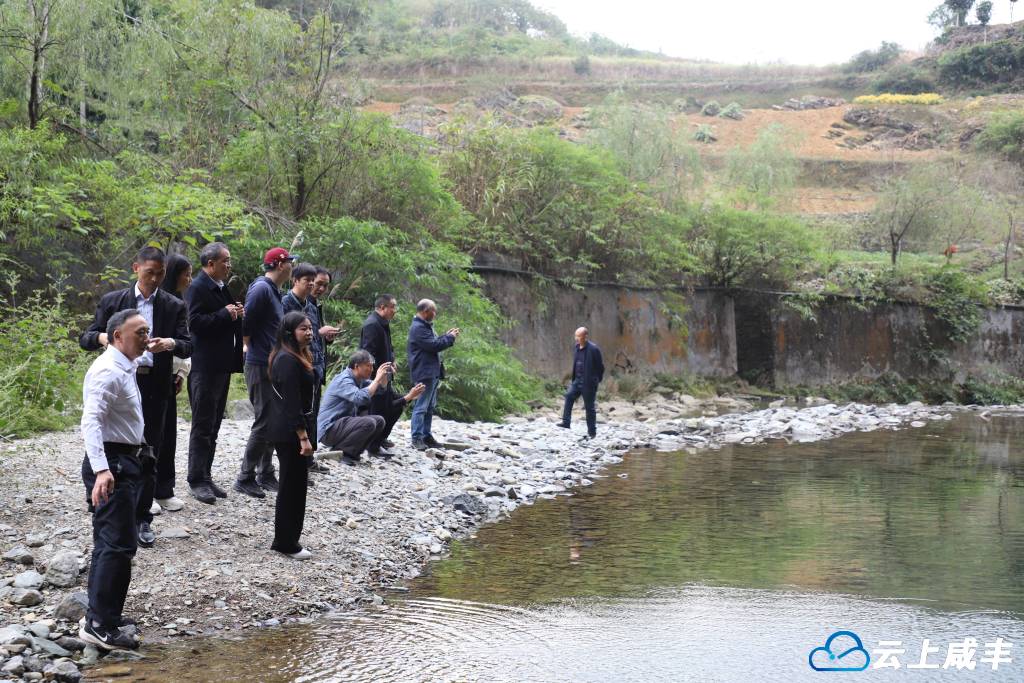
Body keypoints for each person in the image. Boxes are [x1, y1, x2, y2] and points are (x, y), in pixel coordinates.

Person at [79, 246, 192, 548]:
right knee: (116, 446)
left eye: (160, 274)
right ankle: (107, 500)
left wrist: (168, 343)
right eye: (149, 272)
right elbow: (86, 338)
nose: (155, 279)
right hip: (121, 379)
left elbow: (187, 345)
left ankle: (143, 517)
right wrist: (109, 336)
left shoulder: (173, 304)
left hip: (156, 384)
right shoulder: (114, 301)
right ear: (136, 269)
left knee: (150, 451)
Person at [78, 309, 149, 650]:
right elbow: (90, 421)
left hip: (124, 461)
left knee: (115, 543)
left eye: (147, 331)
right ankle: (98, 624)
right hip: (112, 464)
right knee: (116, 545)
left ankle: (105, 614)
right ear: (118, 336)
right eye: (140, 333)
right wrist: (102, 469)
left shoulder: (125, 364)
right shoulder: (108, 371)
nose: (146, 338)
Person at [184, 242, 244, 505]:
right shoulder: (197, 287)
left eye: (229, 261)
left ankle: (206, 476)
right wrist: (224, 314)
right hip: (204, 367)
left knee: (215, 424)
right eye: (225, 261)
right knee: (203, 424)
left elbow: (225, 317)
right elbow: (194, 323)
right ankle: (196, 479)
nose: (229, 265)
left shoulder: (221, 286)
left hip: (221, 366)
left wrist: (235, 313)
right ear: (210, 263)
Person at [236, 247, 295, 499]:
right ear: (280, 265)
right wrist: (249, 348)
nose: (292, 267)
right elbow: (247, 324)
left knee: (273, 419)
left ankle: (265, 472)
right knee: (263, 420)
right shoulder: (261, 289)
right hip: (260, 363)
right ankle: (245, 476)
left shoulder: (274, 291)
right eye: (290, 263)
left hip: (271, 363)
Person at [267, 312, 317, 560]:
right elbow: (292, 402)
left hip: (295, 429)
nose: (308, 332)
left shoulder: (298, 355)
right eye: (302, 329)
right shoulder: (287, 360)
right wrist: (303, 437)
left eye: (310, 328)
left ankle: (289, 538)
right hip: (290, 433)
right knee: (291, 487)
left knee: (296, 485)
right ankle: (285, 542)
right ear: (289, 332)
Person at [318, 350, 424, 465]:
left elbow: (379, 389)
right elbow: (360, 398)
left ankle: (353, 453)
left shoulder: (359, 379)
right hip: (328, 429)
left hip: (341, 426)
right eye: (368, 366)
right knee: (369, 423)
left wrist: (385, 375)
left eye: (372, 366)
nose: (372, 370)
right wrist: (378, 379)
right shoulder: (343, 380)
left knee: (379, 421)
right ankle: (343, 452)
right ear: (356, 366)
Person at [282, 263, 333, 475]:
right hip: (298, 366)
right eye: (314, 283)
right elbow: (286, 334)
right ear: (296, 280)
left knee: (312, 414)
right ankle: (297, 462)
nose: (317, 287)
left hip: (315, 366)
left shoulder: (312, 306)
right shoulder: (287, 302)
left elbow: (313, 337)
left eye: (322, 285)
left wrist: (325, 337)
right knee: (300, 414)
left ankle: (308, 460)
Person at [155, 253, 193, 513]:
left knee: (168, 434)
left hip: (170, 375)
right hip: (148, 375)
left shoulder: (178, 303)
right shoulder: (154, 302)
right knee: (148, 435)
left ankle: (164, 489)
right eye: (186, 273)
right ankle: (145, 491)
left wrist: (180, 373)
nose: (189, 279)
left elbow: (184, 342)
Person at [407, 299, 459, 450]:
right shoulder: (418, 328)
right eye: (433, 311)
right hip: (424, 372)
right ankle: (416, 438)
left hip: (431, 372)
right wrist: (449, 338)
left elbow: (434, 342)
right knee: (421, 406)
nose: (435, 314)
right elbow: (433, 345)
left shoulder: (424, 326)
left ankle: (426, 435)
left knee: (429, 406)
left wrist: (446, 336)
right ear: (425, 311)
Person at [359, 294, 403, 455]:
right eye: (393, 307)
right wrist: (378, 375)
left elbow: (388, 347)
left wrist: (393, 360)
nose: (395, 311)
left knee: (397, 404)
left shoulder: (383, 323)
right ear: (382, 307)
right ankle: (373, 446)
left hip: (385, 374)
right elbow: (367, 353)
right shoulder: (372, 324)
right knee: (378, 410)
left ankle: (381, 438)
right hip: (376, 377)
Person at [558, 327, 605, 439]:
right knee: (569, 396)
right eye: (576, 336)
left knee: (589, 407)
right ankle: (566, 422)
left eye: (578, 336)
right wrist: (575, 379)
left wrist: (596, 380)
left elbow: (600, 367)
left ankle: (592, 432)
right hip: (577, 380)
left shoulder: (594, 349)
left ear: (585, 337)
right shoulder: (577, 348)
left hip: (588, 383)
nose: (576, 338)